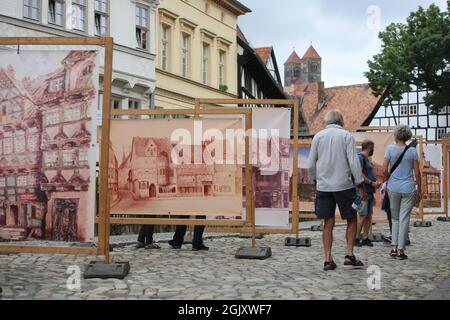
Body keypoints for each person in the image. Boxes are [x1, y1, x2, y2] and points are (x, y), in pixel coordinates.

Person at [308, 110, 366, 271]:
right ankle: (349, 255)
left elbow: (311, 164)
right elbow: (354, 162)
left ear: (327, 121)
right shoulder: (346, 136)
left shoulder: (318, 137)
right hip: (344, 185)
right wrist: (359, 183)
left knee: (328, 221)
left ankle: (327, 258)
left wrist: (315, 181)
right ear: (341, 121)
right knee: (351, 218)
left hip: (324, 186)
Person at [382, 125, 421, 260]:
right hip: (408, 188)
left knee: (395, 218)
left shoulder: (390, 149)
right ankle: (401, 249)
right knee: (404, 218)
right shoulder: (412, 151)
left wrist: (387, 181)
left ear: (396, 135)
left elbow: (383, 169)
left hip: (393, 187)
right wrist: (419, 190)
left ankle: (393, 247)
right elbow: (417, 172)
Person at [355, 140, 381, 247]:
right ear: (370, 147)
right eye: (373, 148)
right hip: (362, 191)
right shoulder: (360, 157)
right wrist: (371, 182)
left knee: (369, 215)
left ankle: (365, 237)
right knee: (362, 214)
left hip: (369, 191)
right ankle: (356, 237)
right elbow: (359, 173)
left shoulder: (366, 159)